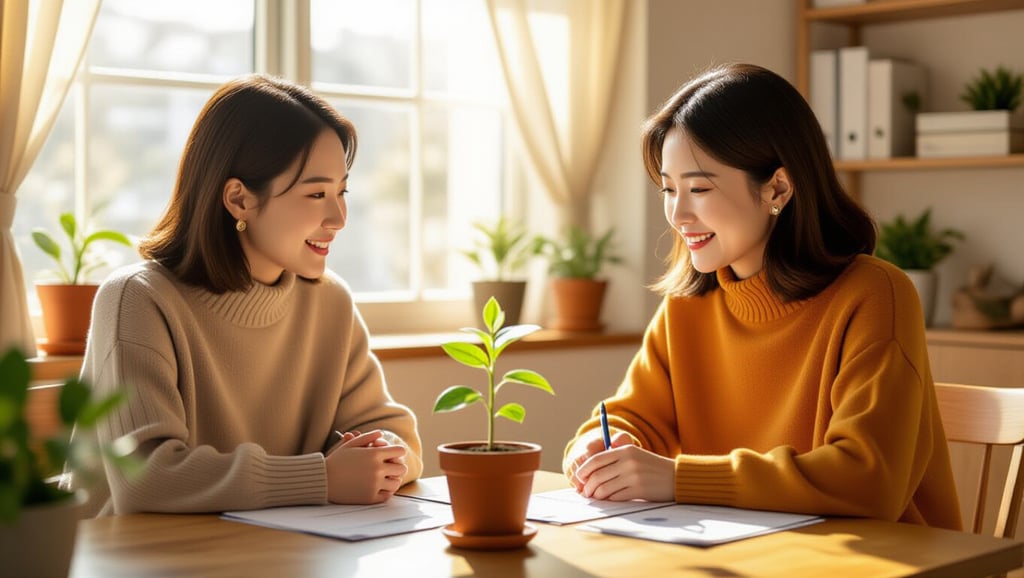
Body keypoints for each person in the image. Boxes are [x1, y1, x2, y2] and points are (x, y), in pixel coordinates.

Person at [563, 63, 962, 530]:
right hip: (748, 555)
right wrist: (595, 449)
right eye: (668, 190)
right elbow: (631, 417)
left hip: (885, 561)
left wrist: (680, 479)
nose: (678, 213)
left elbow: (869, 478)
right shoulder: (687, 306)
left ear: (777, 187)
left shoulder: (873, 295)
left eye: (698, 188)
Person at [68, 74, 423, 516]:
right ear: (239, 200)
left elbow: (393, 432)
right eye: (316, 193)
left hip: (272, 551)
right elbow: (146, 478)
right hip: (129, 558)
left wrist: (380, 455)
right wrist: (323, 478)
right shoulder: (138, 300)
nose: (339, 217)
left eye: (341, 191)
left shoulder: (329, 302)